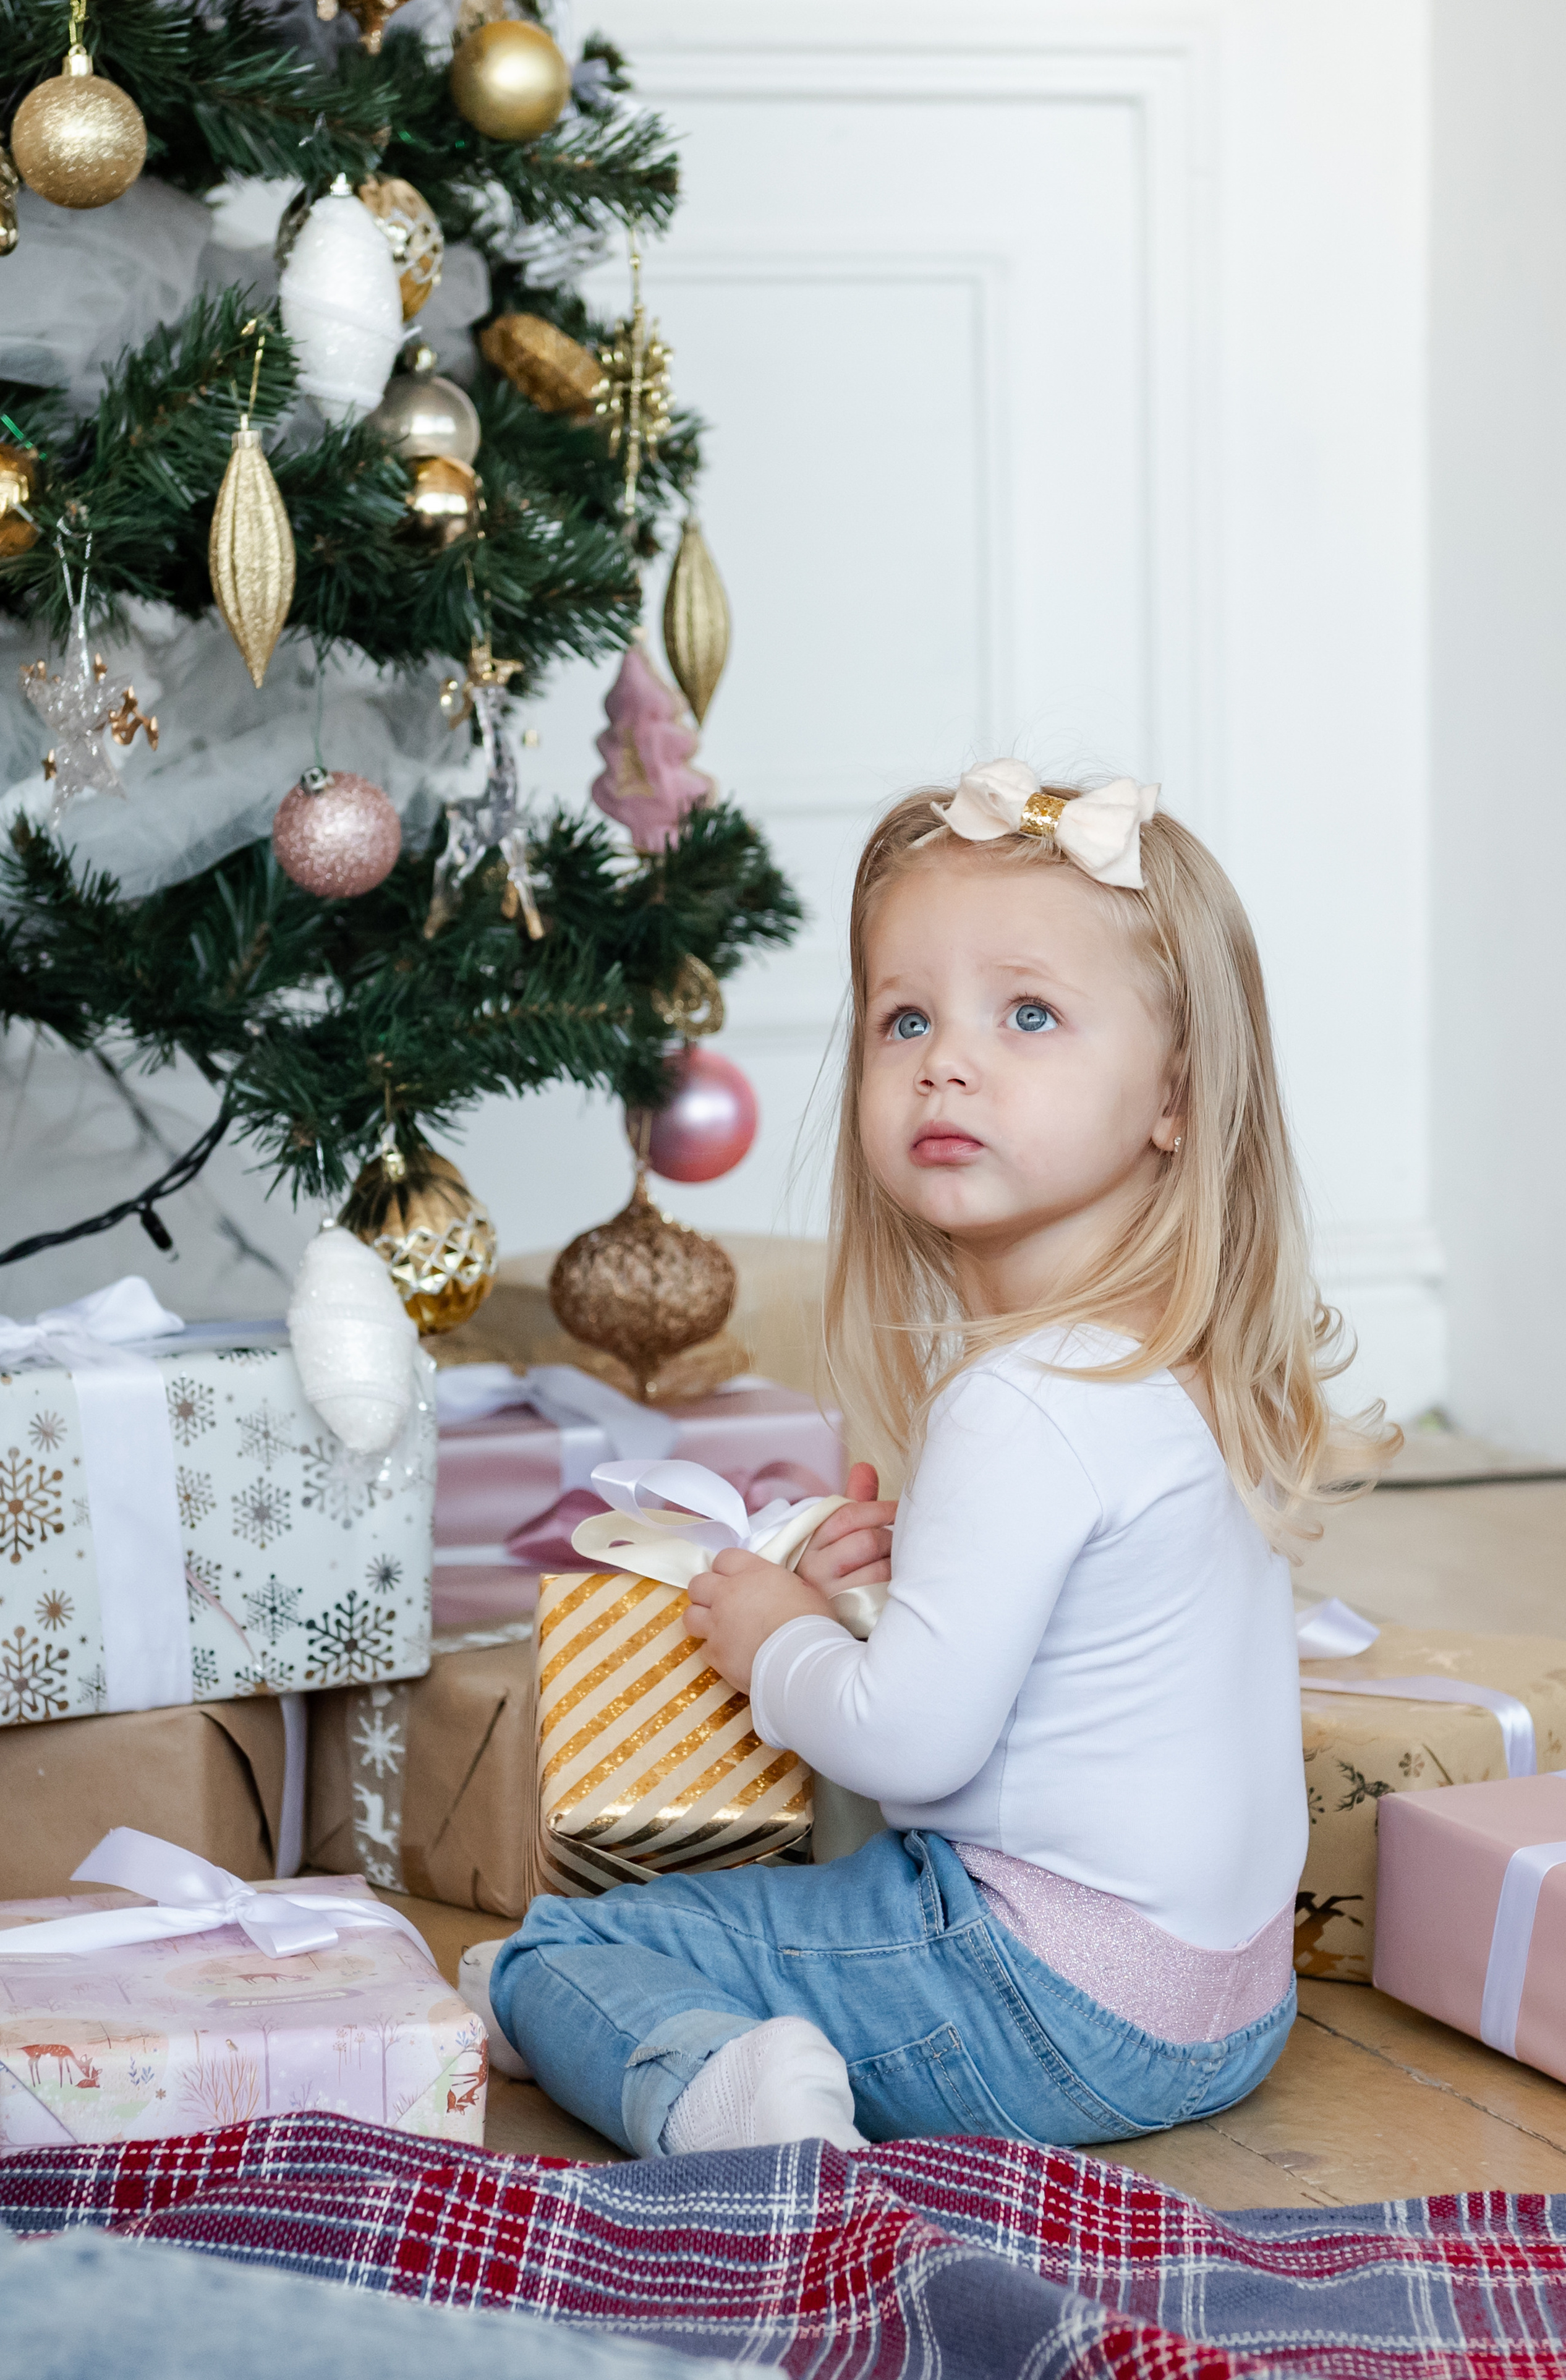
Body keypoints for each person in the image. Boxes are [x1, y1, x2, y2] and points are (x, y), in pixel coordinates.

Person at [479, 760, 1398, 2160]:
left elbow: (912, 1750)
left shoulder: (1017, 1398)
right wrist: (900, 1598)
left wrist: (779, 1637)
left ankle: (721, 2091)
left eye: (1027, 1013)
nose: (943, 1058)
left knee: (558, 1947)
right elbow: (1066, 1709)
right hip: (1221, 2009)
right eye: (904, 1015)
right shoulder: (1177, 1360)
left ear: (1174, 1092)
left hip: (1037, 2009)